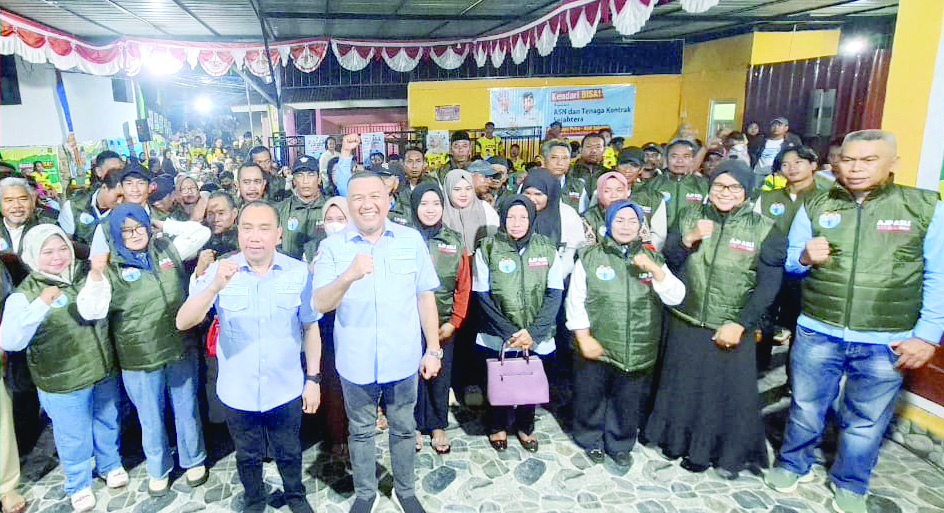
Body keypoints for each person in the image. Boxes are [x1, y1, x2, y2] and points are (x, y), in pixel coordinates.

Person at [765, 130, 944, 513]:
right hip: (818, 329)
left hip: (888, 337)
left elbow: (938, 275)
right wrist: (806, 258)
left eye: (869, 160)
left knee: (866, 419)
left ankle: (851, 482)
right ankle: (793, 463)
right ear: (836, 161)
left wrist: (927, 335)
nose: (856, 168)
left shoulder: (924, 206)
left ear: (892, 163)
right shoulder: (816, 204)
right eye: (849, 159)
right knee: (806, 407)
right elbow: (792, 261)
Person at [177, 201, 322, 513]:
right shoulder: (221, 271)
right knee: (247, 454)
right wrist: (214, 285)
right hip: (238, 390)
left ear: (278, 235)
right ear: (238, 232)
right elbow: (183, 321)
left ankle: (295, 496)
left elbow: (310, 327)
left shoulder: (297, 272)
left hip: (285, 387)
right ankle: (254, 500)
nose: (255, 237)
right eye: (247, 228)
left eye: (264, 228)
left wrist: (313, 379)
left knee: (289, 450)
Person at [645, 160, 786, 478]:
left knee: (716, 394)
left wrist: (741, 323)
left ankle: (706, 451)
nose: (725, 192)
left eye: (734, 187)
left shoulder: (765, 229)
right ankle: (674, 440)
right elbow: (669, 261)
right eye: (719, 185)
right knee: (681, 388)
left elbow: (768, 286)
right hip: (686, 318)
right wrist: (688, 238)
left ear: (746, 192)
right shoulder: (690, 216)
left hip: (729, 326)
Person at [312, 172, 442, 513]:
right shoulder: (332, 246)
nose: (367, 204)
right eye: (358, 198)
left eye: (375, 196)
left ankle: (405, 490)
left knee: (403, 427)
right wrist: (348, 275)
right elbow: (320, 303)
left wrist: (433, 348)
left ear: (388, 200)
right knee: (361, 431)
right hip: (355, 361)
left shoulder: (410, 240)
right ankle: (366, 493)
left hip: (403, 357)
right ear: (348, 203)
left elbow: (425, 297)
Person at [78, 203, 210, 496]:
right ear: (114, 234)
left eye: (139, 226)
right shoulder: (110, 266)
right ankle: (158, 468)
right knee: (150, 416)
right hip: (139, 356)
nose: (135, 234)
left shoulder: (166, 250)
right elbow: (91, 310)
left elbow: (201, 232)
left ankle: (193, 460)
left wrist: (162, 224)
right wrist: (97, 273)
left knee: (186, 407)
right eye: (126, 231)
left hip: (179, 345)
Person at [0, 226, 128, 512]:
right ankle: (78, 483)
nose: (57, 257)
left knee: (107, 420)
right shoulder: (25, 294)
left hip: (101, 367)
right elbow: (10, 340)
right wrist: (41, 304)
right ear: (32, 256)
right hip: (61, 379)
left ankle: (110, 463)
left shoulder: (84, 273)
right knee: (73, 434)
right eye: (47, 252)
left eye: (62, 249)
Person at [566, 200, 685, 466]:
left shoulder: (653, 257)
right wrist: (583, 337)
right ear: (608, 224)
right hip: (598, 343)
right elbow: (576, 300)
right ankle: (590, 439)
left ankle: (620, 442)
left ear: (641, 226)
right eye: (619, 220)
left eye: (632, 221)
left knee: (628, 399)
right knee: (591, 396)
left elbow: (676, 297)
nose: (626, 226)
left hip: (639, 344)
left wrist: (655, 270)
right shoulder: (591, 256)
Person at [472, 194, 564, 453]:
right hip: (498, 332)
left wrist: (533, 333)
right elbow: (482, 294)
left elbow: (554, 293)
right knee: (500, 379)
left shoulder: (546, 248)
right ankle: (497, 425)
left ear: (532, 219)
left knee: (529, 380)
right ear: (502, 218)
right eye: (511, 216)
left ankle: (526, 425)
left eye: (523, 217)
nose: (516, 222)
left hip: (537, 333)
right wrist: (510, 332)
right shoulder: (488, 248)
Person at [753, 146, 831, 370]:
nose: (792, 168)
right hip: (770, 268)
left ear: (813, 165)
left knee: (800, 325)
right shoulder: (767, 197)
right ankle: (759, 366)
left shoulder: (826, 199)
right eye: (785, 164)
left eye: (798, 162)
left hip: (807, 272)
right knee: (763, 318)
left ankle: (793, 376)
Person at [411, 182, 472, 454]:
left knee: (439, 375)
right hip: (407, 325)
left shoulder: (454, 240)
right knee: (410, 376)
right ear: (415, 207)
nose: (430, 209)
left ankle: (437, 425)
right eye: (424, 204)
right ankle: (412, 425)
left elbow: (463, 285)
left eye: (436, 203)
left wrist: (454, 321)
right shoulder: (403, 238)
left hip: (444, 323)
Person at [520, 168, 585, 278]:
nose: (532, 199)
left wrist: (553, 283)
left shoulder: (567, 215)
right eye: (527, 193)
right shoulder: (516, 212)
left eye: (538, 194)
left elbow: (569, 257)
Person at [583, 168, 666, 249]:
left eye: (619, 190)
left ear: (626, 192)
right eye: (607, 191)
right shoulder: (589, 217)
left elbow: (647, 247)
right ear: (599, 193)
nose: (613, 195)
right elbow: (588, 251)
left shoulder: (636, 215)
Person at [640, 139, 709, 229]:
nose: (679, 161)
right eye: (674, 156)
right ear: (666, 159)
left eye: (686, 156)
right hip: (660, 239)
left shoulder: (704, 185)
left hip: (692, 238)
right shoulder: (652, 185)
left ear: (693, 159)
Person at [58, 171, 123, 252]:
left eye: (124, 197)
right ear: (104, 187)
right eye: (118, 195)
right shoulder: (73, 206)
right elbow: (64, 243)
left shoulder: (125, 211)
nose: (120, 201)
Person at [277, 156, 326, 260]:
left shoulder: (330, 208)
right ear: (294, 180)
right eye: (300, 175)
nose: (305, 181)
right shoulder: (281, 209)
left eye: (311, 175)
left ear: (319, 179)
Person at [442, 169, 499, 251]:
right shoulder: (439, 212)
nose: (463, 194)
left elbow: (496, 238)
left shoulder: (484, 209)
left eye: (468, 189)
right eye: (457, 189)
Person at [752, 117, 803, 189]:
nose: (776, 127)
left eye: (779, 125)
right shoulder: (761, 140)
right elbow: (752, 154)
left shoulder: (791, 142)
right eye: (774, 125)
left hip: (778, 174)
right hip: (759, 173)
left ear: (786, 128)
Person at [541, 140, 588, 214]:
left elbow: (583, 215)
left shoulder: (578, 187)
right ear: (543, 161)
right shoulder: (530, 185)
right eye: (554, 157)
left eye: (565, 158)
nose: (559, 163)